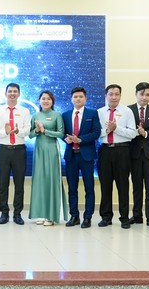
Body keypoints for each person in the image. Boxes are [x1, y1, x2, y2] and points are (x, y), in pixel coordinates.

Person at [97, 84, 138, 229]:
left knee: (123, 185)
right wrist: (107, 130)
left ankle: (124, 218)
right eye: (111, 94)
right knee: (105, 185)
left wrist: (116, 128)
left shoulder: (127, 111)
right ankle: (106, 217)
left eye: (117, 94)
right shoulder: (99, 112)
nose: (114, 97)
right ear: (106, 95)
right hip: (105, 151)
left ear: (120, 95)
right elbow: (96, 133)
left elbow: (132, 133)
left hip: (122, 151)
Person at [61, 86, 101, 228]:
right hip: (71, 156)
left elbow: (96, 132)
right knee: (72, 187)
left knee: (89, 187)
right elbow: (62, 132)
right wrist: (66, 138)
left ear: (85, 98)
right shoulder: (65, 115)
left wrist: (81, 139)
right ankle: (74, 216)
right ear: (71, 99)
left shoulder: (92, 113)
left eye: (81, 96)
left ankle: (88, 217)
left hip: (86, 156)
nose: (78, 99)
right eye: (75, 97)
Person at [0, 83, 31, 225]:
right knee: (3, 184)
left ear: (19, 94)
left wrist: (18, 131)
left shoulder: (25, 111)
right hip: (3, 150)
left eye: (15, 91)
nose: (12, 94)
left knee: (19, 184)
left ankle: (17, 214)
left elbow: (28, 130)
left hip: (19, 150)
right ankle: (4, 213)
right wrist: (6, 132)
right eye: (10, 91)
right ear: (6, 93)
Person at [28, 91, 66, 225]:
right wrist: (37, 130)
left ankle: (51, 215)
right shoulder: (35, 115)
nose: (46, 101)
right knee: (39, 180)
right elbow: (30, 134)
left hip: (52, 149)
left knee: (51, 179)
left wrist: (45, 131)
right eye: (43, 99)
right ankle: (41, 213)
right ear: (39, 101)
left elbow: (61, 134)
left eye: (48, 99)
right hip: (39, 149)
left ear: (52, 101)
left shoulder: (57, 115)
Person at [128, 82, 149, 229]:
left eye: (147, 94)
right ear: (136, 94)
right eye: (142, 94)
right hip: (133, 153)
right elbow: (125, 129)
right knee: (136, 186)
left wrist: (146, 133)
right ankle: (137, 216)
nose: (144, 97)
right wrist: (135, 132)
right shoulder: (128, 110)